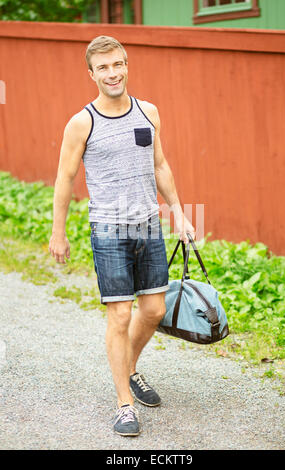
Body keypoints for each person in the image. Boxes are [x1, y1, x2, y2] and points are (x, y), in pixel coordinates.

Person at [49, 35, 195, 437]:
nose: (111, 73)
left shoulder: (149, 113)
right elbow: (65, 178)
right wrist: (57, 231)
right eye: (103, 67)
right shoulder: (82, 123)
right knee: (120, 314)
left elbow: (160, 166)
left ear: (126, 65)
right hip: (109, 229)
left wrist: (179, 214)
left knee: (153, 311)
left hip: (149, 225)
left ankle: (128, 368)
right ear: (91, 74)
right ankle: (124, 404)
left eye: (117, 65)